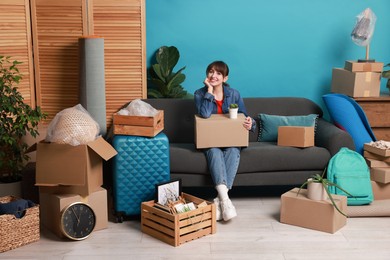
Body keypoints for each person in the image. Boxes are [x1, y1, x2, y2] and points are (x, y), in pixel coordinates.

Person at [194, 61, 256, 221]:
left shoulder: (234, 94)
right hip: (210, 140)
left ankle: (219, 199)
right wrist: (209, 91)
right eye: (210, 72)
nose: (213, 75)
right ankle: (226, 201)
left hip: (231, 140)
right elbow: (205, 115)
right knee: (214, 152)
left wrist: (251, 123)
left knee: (234, 150)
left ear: (225, 77)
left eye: (218, 73)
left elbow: (244, 115)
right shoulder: (199, 94)